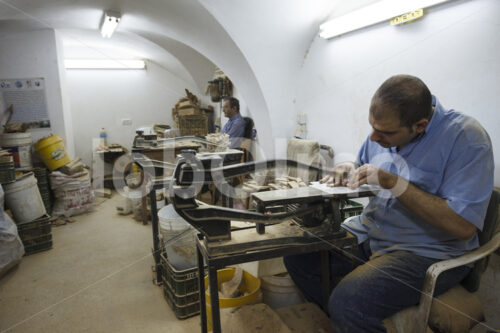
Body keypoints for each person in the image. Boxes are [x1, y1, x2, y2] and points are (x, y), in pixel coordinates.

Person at [284, 74, 494, 332]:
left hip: (425, 250)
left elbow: (462, 226)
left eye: (383, 132)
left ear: (420, 126)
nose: (373, 137)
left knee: (348, 302)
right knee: (298, 256)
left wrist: (394, 182)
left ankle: (349, 317)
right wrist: (349, 168)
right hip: (371, 232)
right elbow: (364, 165)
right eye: (372, 127)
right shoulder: (385, 131)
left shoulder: (466, 138)